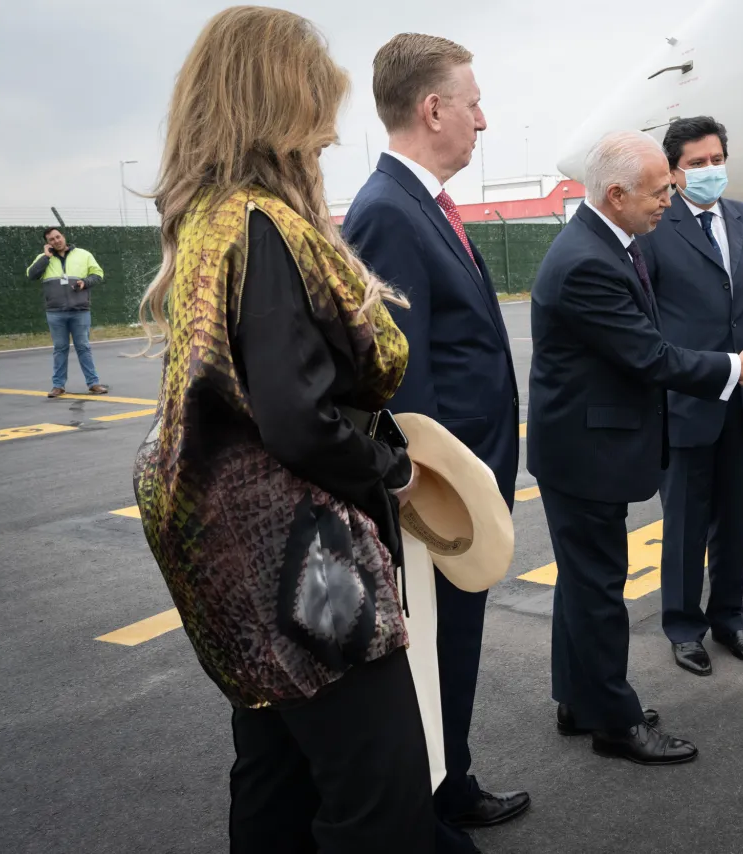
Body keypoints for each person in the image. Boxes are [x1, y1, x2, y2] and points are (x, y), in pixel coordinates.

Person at [129, 8, 435, 850]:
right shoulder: (263, 226)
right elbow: (298, 422)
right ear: (277, 99)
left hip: (234, 563)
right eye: (319, 103)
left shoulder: (208, 221)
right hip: (306, 569)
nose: (331, 130)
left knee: (274, 772)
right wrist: (389, 468)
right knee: (382, 794)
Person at [527, 129, 743, 766]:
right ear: (615, 194)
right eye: (659, 191)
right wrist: (737, 368)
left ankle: (579, 700)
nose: (668, 201)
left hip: (580, 448)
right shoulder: (589, 259)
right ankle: (614, 721)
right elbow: (649, 354)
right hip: (587, 455)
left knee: (582, 587)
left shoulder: (608, 240)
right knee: (600, 590)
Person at [341, 32, 528, 851]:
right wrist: (432, 498)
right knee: (438, 649)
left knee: (457, 645)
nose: (483, 121)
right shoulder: (388, 211)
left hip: (466, 478)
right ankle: (432, 804)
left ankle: (452, 778)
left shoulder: (421, 204)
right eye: (474, 102)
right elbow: (400, 388)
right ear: (433, 108)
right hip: (436, 495)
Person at [636, 116, 743, 676]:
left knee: (735, 518)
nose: (711, 170)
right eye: (697, 163)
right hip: (687, 398)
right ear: (673, 172)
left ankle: (730, 618)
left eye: (717, 159)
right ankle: (683, 626)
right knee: (686, 523)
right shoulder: (654, 227)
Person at [25, 228, 109, 397]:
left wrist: (85, 282)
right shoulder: (43, 259)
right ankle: (58, 386)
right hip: (55, 312)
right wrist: (46, 257)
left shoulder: (83, 254)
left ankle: (93, 383)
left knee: (83, 347)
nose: (56, 241)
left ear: (63, 237)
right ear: (48, 243)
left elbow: (98, 273)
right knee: (60, 348)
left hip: (80, 310)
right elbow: (32, 275)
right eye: (52, 239)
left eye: (58, 237)